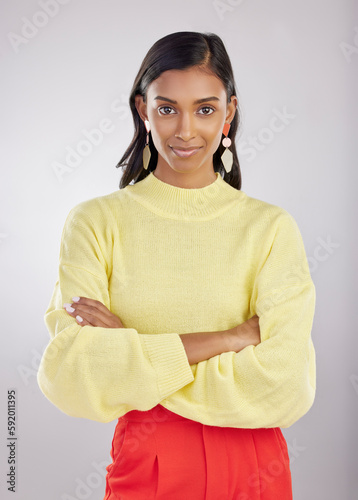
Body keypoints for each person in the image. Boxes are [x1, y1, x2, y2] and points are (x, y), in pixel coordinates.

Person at [37, 31, 316, 499]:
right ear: (143, 110)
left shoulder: (269, 228)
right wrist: (228, 340)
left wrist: (132, 352)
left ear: (228, 113)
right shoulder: (96, 222)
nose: (186, 130)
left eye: (205, 109)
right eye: (168, 108)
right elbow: (68, 374)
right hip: (149, 462)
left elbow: (286, 385)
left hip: (254, 466)